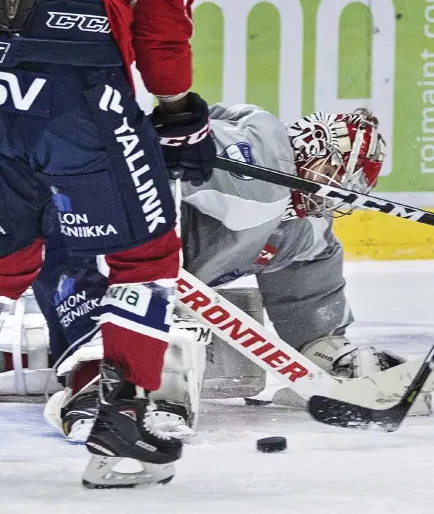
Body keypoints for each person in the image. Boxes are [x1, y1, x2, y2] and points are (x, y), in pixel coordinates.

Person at [4, 102, 429, 442]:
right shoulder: (257, 150)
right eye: (339, 175)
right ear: (316, 150)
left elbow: (309, 296)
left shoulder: (303, 230)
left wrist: (327, 352)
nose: (337, 193)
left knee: (302, 253)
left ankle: (129, 374)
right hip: (89, 239)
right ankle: (95, 381)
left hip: (156, 283)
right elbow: (150, 157)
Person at [0, 0, 216, 488]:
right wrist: (177, 115)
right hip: (75, 90)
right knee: (144, 254)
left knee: (8, 257)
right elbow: (163, 17)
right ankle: (125, 431)